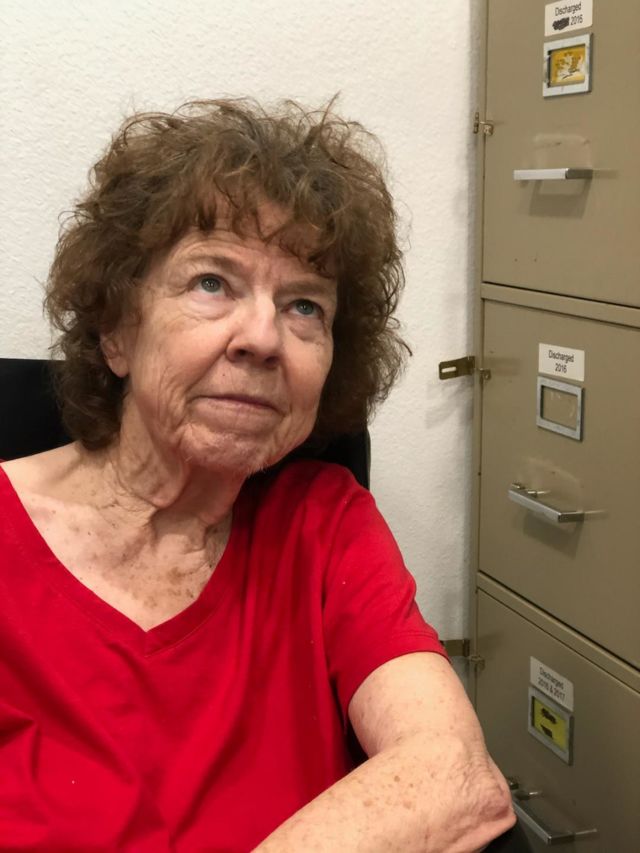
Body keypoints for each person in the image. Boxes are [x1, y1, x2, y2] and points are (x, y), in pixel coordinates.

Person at [0, 98, 515, 851]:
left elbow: (457, 778)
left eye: (305, 306)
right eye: (212, 283)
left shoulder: (323, 522)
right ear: (117, 331)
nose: (264, 338)